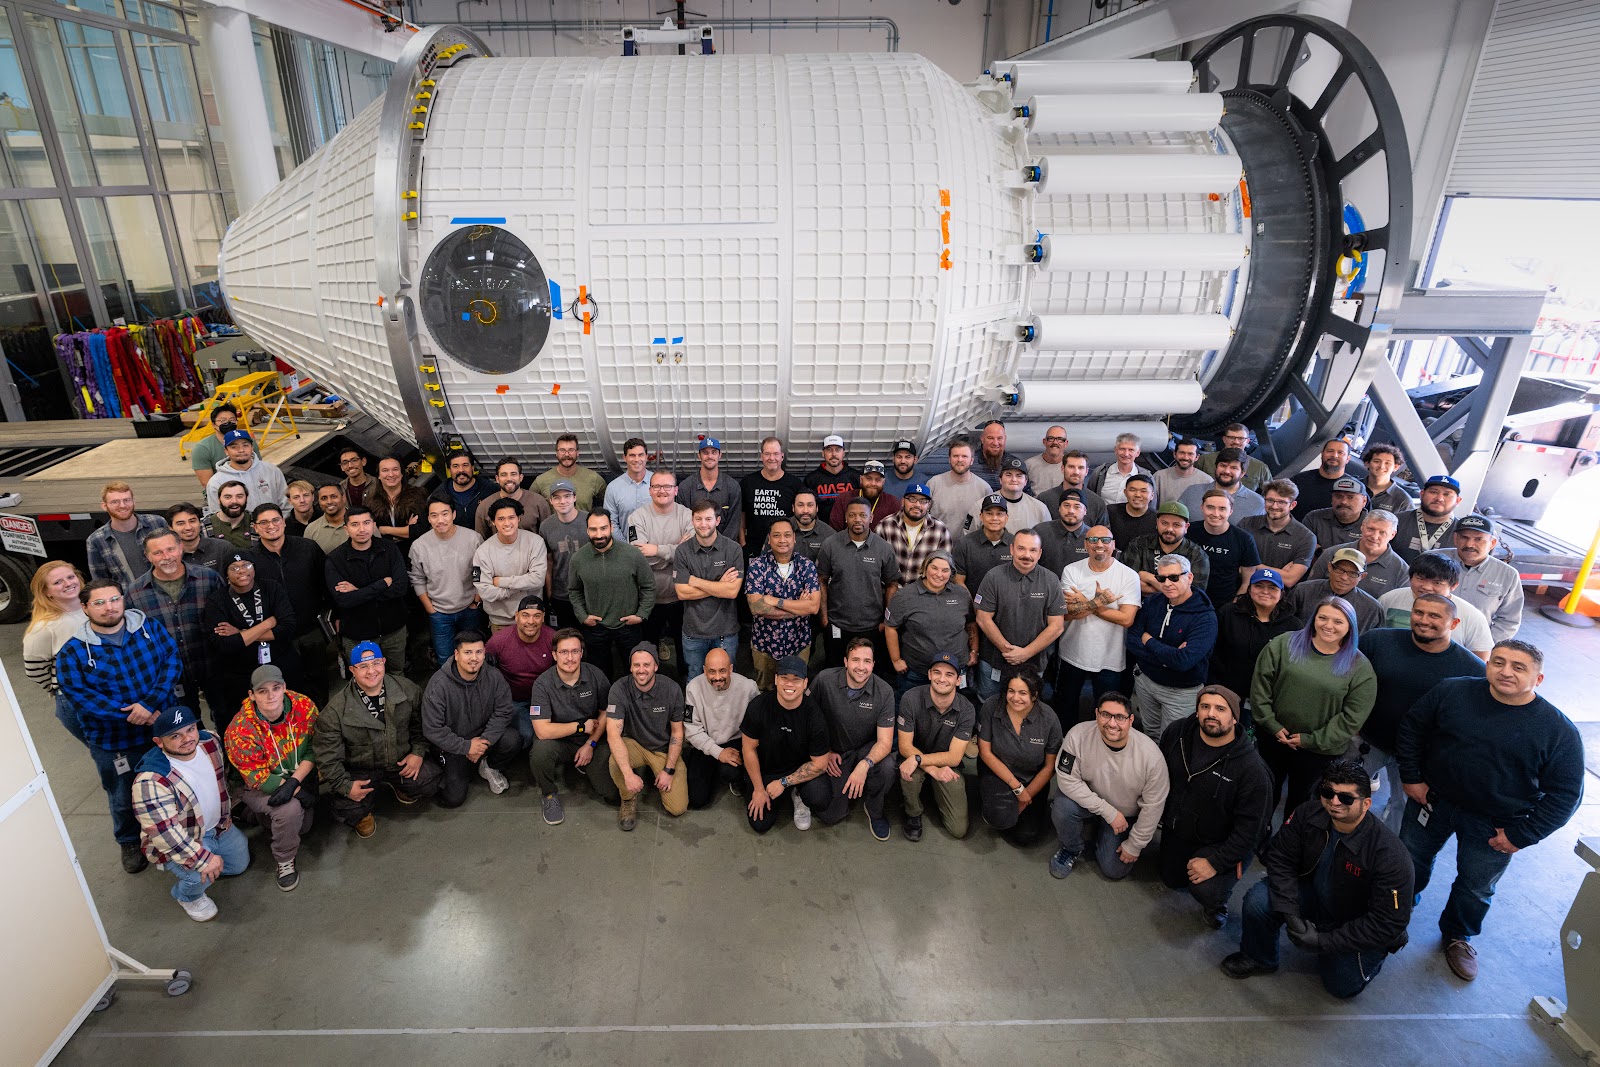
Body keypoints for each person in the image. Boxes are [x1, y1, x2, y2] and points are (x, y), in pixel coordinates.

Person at [1397, 640, 1583, 981]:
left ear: (1538, 679)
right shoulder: (1452, 692)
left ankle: (1457, 936)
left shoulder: (1558, 732)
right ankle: (1395, 910)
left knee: (1475, 886)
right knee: (1408, 860)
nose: (1505, 671)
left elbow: (1566, 795)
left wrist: (1521, 835)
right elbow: (1413, 728)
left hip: (1495, 824)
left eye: (1518, 667)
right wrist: (1411, 777)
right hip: (1432, 800)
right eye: (1498, 662)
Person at [1221, 760, 1413, 998]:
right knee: (1259, 901)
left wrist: (1323, 942)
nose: (1334, 802)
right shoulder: (1307, 814)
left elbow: (1386, 922)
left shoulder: (1390, 856)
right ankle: (1259, 957)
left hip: (1356, 919)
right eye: (1328, 793)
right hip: (1315, 895)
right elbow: (1280, 858)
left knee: (1340, 986)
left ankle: (1375, 955)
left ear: (1366, 804)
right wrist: (1291, 915)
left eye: (1346, 798)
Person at [55, 578, 181, 872]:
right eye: (99, 602)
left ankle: (176, 829)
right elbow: (81, 697)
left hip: (160, 728)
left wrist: (150, 704)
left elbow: (171, 660)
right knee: (122, 795)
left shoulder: (149, 629)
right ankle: (128, 841)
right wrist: (134, 714)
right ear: (85, 608)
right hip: (113, 740)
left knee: (172, 781)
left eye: (114, 599)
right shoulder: (72, 652)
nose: (109, 607)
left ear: (123, 599)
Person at [1357, 594, 1483, 830]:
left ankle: (1385, 858)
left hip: (1417, 759)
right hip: (1367, 742)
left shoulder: (1472, 670)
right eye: (1419, 613)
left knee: (1402, 812)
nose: (1424, 620)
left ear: (1454, 624)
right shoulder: (1377, 642)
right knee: (1341, 794)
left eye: (1435, 615)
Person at [1157, 686, 1272, 927]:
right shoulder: (1177, 732)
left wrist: (1215, 862)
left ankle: (1217, 903)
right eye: (1205, 706)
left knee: (1205, 889)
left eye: (1221, 709)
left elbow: (1251, 832)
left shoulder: (1252, 770)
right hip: (1179, 831)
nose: (1211, 714)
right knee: (1171, 879)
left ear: (1234, 717)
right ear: (1197, 711)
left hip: (1220, 842)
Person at [1251, 597, 1377, 814]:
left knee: (1302, 804)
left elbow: (1352, 718)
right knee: (1262, 794)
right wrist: (1271, 724)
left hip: (1319, 751)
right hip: (1273, 738)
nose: (1328, 625)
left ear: (1350, 627)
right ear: (1313, 619)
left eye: (1338, 621)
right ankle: (1259, 838)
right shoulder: (1284, 644)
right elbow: (1260, 686)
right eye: (1323, 618)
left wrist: (1311, 740)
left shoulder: (1360, 667)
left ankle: (1290, 843)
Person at [133, 705, 250, 921]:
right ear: (159, 742)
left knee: (239, 864)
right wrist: (202, 859)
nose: (186, 738)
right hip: (183, 838)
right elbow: (166, 833)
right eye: (175, 735)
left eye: (190, 729)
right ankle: (186, 896)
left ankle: (207, 863)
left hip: (218, 828)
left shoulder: (210, 742)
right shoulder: (151, 780)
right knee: (199, 877)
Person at [313, 642, 442, 837]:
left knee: (429, 781)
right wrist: (346, 787)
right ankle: (363, 814)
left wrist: (417, 752)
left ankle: (399, 784)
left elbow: (421, 725)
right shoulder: (334, 711)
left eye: (376, 663)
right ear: (352, 670)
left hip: (399, 760)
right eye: (363, 666)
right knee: (348, 808)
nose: (371, 671)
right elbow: (326, 756)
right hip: (361, 769)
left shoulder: (407, 689)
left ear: (384, 662)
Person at [1048, 691, 1169, 880]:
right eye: (1106, 715)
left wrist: (1134, 844)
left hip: (1125, 815)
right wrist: (1108, 812)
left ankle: (1101, 832)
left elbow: (1154, 806)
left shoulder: (1151, 757)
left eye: (1120, 717)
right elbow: (1066, 779)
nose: (1112, 723)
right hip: (1092, 803)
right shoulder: (1078, 735)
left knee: (1114, 869)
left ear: (1130, 720)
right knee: (1062, 807)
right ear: (1096, 714)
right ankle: (1071, 848)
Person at [223, 666, 317, 891]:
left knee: (304, 827)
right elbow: (258, 778)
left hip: (296, 775)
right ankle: (284, 860)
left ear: (284, 687)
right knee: (290, 810)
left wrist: (294, 782)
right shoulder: (240, 729)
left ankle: (252, 815)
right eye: (262, 691)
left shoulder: (303, 706)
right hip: (254, 785)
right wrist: (296, 791)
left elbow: (315, 747)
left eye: (276, 688)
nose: (271, 695)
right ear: (252, 695)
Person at [128, 528, 223, 720]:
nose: (166, 557)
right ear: (148, 556)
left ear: (181, 548)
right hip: (170, 677)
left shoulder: (209, 578)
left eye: (170, 549)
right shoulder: (135, 593)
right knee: (185, 724)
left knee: (225, 717)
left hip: (212, 667)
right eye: (158, 552)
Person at [528, 628, 619, 824]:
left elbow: (605, 713)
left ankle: (585, 765)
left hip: (592, 740)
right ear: (554, 655)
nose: (570, 658)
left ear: (581, 653)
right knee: (540, 751)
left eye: (575, 651)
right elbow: (542, 731)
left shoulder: (595, 675)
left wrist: (591, 744)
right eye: (564, 652)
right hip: (560, 742)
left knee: (611, 794)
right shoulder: (542, 684)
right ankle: (549, 795)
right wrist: (580, 727)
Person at [810, 638, 898, 839]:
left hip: (865, 749)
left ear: (873, 664)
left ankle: (874, 809)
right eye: (855, 660)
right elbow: (808, 719)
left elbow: (884, 742)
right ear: (845, 661)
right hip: (835, 752)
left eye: (867, 661)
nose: (861, 667)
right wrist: (825, 751)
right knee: (830, 814)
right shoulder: (824, 680)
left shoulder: (884, 692)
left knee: (886, 766)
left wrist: (864, 765)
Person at [422, 630, 522, 805]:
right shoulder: (438, 686)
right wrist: (466, 747)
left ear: (484, 653)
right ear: (456, 654)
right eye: (468, 652)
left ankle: (488, 765)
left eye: (479, 652)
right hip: (452, 746)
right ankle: (450, 769)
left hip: (482, 738)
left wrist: (483, 742)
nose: (474, 658)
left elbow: (504, 711)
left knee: (513, 739)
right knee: (454, 799)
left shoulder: (494, 677)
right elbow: (433, 729)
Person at [204, 552, 300, 734]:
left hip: (281, 664)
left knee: (290, 718)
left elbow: (287, 628)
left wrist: (241, 633)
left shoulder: (271, 588)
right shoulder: (217, 601)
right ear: (226, 573)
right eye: (234, 567)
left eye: (246, 565)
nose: (242, 571)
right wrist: (268, 623)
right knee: (252, 727)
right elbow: (224, 644)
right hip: (240, 675)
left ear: (254, 568)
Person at [1052, 525, 1139, 724]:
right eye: (1093, 540)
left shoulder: (1128, 575)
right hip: (1072, 653)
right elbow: (1067, 613)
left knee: (1106, 711)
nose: (1099, 545)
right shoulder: (1072, 570)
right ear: (1085, 545)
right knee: (1065, 707)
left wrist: (1087, 603)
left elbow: (1127, 619)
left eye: (1105, 540)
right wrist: (1100, 602)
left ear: (1114, 545)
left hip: (1110, 657)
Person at [740, 656, 835, 833]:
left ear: (805, 683)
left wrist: (784, 783)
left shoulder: (815, 717)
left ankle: (797, 794)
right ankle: (761, 790)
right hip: (767, 769)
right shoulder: (758, 707)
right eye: (784, 678)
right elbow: (748, 749)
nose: (789, 684)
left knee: (820, 798)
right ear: (776, 679)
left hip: (800, 769)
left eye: (796, 679)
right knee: (760, 824)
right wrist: (759, 790)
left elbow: (821, 764)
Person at [248, 503, 331, 704]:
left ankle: (323, 727)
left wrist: (330, 616)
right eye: (264, 522)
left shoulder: (308, 548)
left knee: (319, 681)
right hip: (275, 637)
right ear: (255, 527)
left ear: (283, 522)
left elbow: (326, 583)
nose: (271, 526)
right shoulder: (249, 558)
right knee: (285, 687)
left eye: (275, 520)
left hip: (311, 630)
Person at [1126, 555, 1217, 739]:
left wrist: (1149, 641)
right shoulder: (1153, 602)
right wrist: (1169, 657)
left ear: (1189, 577)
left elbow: (1183, 661)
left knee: (1174, 740)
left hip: (1180, 692)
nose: (1167, 583)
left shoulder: (1205, 617)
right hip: (1146, 681)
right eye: (1161, 578)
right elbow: (1132, 639)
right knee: (1150, 733)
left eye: (1174, 577)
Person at [973, 528, 1065, 701]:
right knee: (988, 704)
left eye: (1033, 550)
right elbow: (983, 618)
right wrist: (1008, 650)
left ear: (1040, 553)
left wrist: (1025, 653)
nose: (1027, 555)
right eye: (1021, 548)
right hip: (995, 661)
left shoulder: (1051, 580)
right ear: (1012, 549)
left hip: (1034, 663)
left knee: (1026, 707)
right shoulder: (993, 577)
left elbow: (1057, 626)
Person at [605, 643, 688, 828]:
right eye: (636, 665)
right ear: (631, 667)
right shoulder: (619, 689)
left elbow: (677, 732)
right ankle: (628, 798)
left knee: (677, 807)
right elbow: (613, 734)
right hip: (634, 743)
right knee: (614, 761)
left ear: (656, 667)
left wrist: (668, 770)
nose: (641, 670)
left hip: (663, 749)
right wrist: (628, 775)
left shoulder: (672, 689)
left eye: (646, 665)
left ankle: (657, 773)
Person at [977, 668, 1062, 846]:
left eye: (1023, 693)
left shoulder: (1049, 718)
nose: (1016, 698)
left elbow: (1049, 767)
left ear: (1034, 695)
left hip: (1033, 777)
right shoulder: (991, 706)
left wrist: (1026, 795)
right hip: (999, 772)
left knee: (1027, 837)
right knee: (999, 818)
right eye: (1011, 691)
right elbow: (985, 752)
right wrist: (1017, 788)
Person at [895, 652, 975, 841]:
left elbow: (955, 757)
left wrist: (920, 760)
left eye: (949, 674)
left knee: (958, 830)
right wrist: (931, 769)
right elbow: (905, 747)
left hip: (945, 764)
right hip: (914, 756)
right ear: (929, 674)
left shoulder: (966, 709)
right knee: (910, 774)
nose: (942, 679)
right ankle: (913, 813)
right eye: (937, 672)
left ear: (957, 680)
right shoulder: (911, 698)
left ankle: (934, 789)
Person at [816, 499, 900, 670]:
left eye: (863, 515)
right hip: (837, 624)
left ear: (871, 518)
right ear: (846, 518)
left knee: (867, 671)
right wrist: (824, 619)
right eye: (852, 515)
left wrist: (886, 620)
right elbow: (821, 581)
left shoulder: (884, 548)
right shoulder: (830, 545)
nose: (857, 519)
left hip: (872, 627)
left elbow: (892, 584)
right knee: (835, 670)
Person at [567, 511, 655, 672]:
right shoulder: (578, 559)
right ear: (587, 531)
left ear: (612, 527)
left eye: (603, 528)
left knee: (634, 673)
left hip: (629, 626)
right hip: (595, 628)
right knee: (599, 675)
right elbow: (574, 590)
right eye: (593, 529)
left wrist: (641, 614)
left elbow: (648, 586)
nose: (599, 534)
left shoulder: (632, 554)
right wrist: (583, 616)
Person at [326, 507, 409, 668]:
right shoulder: (335, 559)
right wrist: (382, 584)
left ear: (374, 525)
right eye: (355, 524)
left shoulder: (390, 549)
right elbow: (344, 600)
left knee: (397, 673)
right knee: (364, 680)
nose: (362, 529)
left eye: (366, 523)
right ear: (346, 529)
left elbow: (400, 588)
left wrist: (358, 591)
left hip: (394, 631)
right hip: (358, 635)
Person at [884, 550, 975, 697]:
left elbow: (971, 623)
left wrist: (974, 651)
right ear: (925, 569)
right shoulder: (905, 596)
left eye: (945, 570)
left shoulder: (962, 594)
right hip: (916, 672)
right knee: (911, 711)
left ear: (951, 573)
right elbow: (890, 627)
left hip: (956, 670)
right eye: (934, 568)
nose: (939, 574)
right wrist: (896, 660)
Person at [744, 518, 821, 688]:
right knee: (764, 690)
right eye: (777, 535)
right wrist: (798, 608)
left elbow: (814, 607)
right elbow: (756, 607)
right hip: (765, 645)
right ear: (769, 539)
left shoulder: (806, 566)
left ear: (794, 538)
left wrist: (774, 601)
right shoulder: (757, 566)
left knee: (795, 689)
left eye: (787, 535)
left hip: (798, 643)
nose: (782, 540)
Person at [673, 498, 745, 678]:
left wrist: (695, 581)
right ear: (692, 520)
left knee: (726, 680)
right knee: (695, 678)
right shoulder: (682, 551)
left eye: (708, 519)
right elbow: (682, 593)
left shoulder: (733, 549)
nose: (703, 524)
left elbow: (731, 591)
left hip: (725, 633)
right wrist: (720, 585)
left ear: (717, 521)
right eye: (698, 519)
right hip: (693, 633)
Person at [409, 497, 485, 666]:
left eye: (445, 514)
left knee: (473, 659)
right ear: (428, 518)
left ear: (454, 514)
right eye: (434, 515)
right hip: (439, 613)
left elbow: (480, 571)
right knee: (445, 660)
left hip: (469, 608)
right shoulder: (419, 546)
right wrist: (431, 609)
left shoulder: (473, 538)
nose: (440, 520)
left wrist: (476, 600)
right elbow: (417, 579)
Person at [629, 470, 693, 664]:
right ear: (649, 490)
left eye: (667, 486)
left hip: (681, 597)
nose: (662, 491)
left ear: (676, 490)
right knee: (648, 652)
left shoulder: (688, 515)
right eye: (657, 486)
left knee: (685, 652)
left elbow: (689, 556)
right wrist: (675, 553)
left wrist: (655, 549)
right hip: (648, 599)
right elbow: (639, 557)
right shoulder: (636, 517)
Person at [1375, 552, 1493, 657]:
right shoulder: (1389, 599)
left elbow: (1480, 659)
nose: (1426, 587)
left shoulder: (1472, 616)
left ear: (1454, 585)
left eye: (1437, 582)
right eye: (1420, 579)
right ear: (1410, 578)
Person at [683, 647, 759, 809]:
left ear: (731, 669)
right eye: (712, 672)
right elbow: (691, 730)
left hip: (736, 741)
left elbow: (757, 724)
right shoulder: (693, 688)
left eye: (722, 671)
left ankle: (734, 778)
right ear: (704, 671)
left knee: (730, 772)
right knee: (696, 799)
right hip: (706, 741)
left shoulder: (748, 688)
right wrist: (718, 753)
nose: (717, 677)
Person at [1210, 568, 1302, 700]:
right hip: (1226, 692)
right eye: (1259, 586)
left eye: (1272, 588)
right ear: (1249, 589)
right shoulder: (1228, 613)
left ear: (1281, 593)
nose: (1265, 592)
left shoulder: (1293, 625)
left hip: (1268, 697)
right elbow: (1213, 651)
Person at [23, 561, 87, 745]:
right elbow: (35, 671)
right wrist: (59, 687)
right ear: (46, 592)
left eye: (70, 577)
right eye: (57, 582)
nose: (68, 584)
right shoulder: (43, 628)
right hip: (75, 701)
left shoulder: (95, 610)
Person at [472, 497, 549, 633]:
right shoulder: (483, 551)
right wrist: (520, 586)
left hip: (532, 619)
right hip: (499, 621)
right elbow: (484, 591)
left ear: (518, 518)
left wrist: (501, 581)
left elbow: (538, 579)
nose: (507, 523)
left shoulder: (536, 542)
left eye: (511, 517)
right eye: (501, 519)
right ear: (493, 522)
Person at [1443, 515, 1523, 642]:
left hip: (1474, 647)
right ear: (1455, 538)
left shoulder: (1508, 575)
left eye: (1478, 539)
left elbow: (1509, 621)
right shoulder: (1431, 560)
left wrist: (1484, 644)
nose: (1469, 544)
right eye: (1464, 537)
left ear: (1492, 543)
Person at [1186, 488, 1262, 609]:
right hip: (1188, 600)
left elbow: (1247, 581)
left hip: (1225, 605)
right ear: (1202, 507)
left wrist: (1232, 607)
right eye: (1210, 507)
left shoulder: (1244, 539)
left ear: (1230, 511)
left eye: (1222, 509)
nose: (1216, 514)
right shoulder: (1188, 531)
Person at [1307, 509, 1409, 597]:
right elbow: (1310, 589)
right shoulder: (1332, 553)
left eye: (1382, 532)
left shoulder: (1401, 570)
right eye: (1370, 529)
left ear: (1392, 535)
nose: (1374, 536)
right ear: (1362, 527)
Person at [87, 481, 168, 589]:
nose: (122, 505)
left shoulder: (157, 523)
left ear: (133, 501)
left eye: (126, 500)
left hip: (167, 590)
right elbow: (101, 582)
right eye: (115, 502)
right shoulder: (96, 540)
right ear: (104, 506)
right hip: (131, 600)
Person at [1287, 547, 1386, 633]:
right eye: (1339, 570)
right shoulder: (1303, 591)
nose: (1344, 577)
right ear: (1329, 567)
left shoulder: (1372, 609)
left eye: (1353, 573)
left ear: (1362, 576)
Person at [1238, 479, 1316, 588]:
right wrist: (1279, 573)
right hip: (1242, 591)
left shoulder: (1306, 537)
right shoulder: (1246, 524)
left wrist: (1249, 565)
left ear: (1292, 505)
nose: (1274, 506)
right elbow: (1232, 564)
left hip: (1279, 599)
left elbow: (1290, 580)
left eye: (1281, 502)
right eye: (1270, 500)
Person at [1123, 502, 1211, 596]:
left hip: (1179, 609)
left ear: (1186, 527)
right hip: (1139, 606)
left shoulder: (1197, 555)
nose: (1169, 529)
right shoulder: (1139, 545)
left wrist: (1149, 577)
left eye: (1176, 525)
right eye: (1164, 523)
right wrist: (1174, 590)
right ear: (1157, 523)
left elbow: (1194, 594)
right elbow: (1127, 584)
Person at [874, 482, 953, 586]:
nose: (917, 505)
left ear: (928, 505)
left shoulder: (940, 530)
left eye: (923, 501)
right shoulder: (885, 526)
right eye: (912, 499)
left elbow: (944, 567)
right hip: (890, 590)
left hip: (925, 593)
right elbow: (875, 564)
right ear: (903, 501)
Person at [487, 595, 555, 710]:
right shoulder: (499, 641)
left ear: (543, 618)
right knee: (528, 728)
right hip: (514, 701)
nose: (531, 621)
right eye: (525, 615)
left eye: (537, 616)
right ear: (517, 616)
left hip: (545, 699)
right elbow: (485, 673)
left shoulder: (553, 638)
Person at [740, 436, 805, 557]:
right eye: (767, 454)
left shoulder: (795, 484)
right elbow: (741, 515)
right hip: (753, 549)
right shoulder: (747, 483)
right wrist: (743, 543)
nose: (772, 458)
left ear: (782, 456)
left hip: (784, 549)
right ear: (761, 456)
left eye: (776, 454)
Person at [539, 480, 588, 626]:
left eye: (567, 496)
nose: (563, 501)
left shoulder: (589, 520)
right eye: (557, 497)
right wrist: (550, 593)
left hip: (588, 593)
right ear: (551, 501)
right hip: (561, 593)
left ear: (574, 497)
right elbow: (548, 561)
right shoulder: (546, 526)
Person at [203, 430, 286, 515]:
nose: (241, 450)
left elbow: (286, 504)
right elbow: (218, 515)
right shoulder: (216, 481)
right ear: (226, 451)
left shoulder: (272, 470)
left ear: (252, 447)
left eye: (245, 445)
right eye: (234, 447)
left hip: (274, 526)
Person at [472, 456, 551, 540]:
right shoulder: (485, 506)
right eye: (503, 475)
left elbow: (548, 535)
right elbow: (482, 540)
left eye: (513, 474)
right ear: (497, 479)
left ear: (521, 477)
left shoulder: (538, 502)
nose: (509, 479)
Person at [679, 436, 742, 539]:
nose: (710, 456)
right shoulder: (686, 487)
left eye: (714, 452)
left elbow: (734, 524)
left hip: (725, 549)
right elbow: (684, 521)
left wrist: (722, 548)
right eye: (705, 452)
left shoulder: (732, 486)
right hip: (694, 547)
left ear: (720, 455)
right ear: (699, 456)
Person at [1178, 448, 1265, 521]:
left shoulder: (1257, 503)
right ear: (1216, 467)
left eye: (1233, 468)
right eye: (1223, 465)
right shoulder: (1192, 492)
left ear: (1242, 473)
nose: (1227, 471)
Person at [965, 457, 1047, 534]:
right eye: (1008, 475)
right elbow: (968, 539)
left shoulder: (1040, 509)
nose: (1014, 479)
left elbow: (1047, 539)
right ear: (1000, 479)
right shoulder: (981, 506)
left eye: (1019, 476)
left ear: (1025, 481)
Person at [1393, 474, 1462, 564]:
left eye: (1447, 494)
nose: (1439, 498)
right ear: (1421, 494)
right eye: (1433, 492)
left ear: (1458, 501)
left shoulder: (1462, 533)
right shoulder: (1396, 521)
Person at [952, 494, 1012, 592]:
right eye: (989, 513)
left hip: (1008, 604)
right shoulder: (964, 544)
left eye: (999, 514)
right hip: (971, 604)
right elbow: (958, 580)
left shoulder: (1016, 544)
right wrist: (973, 605)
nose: (994, 518)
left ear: (1006, 517)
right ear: (981, 516)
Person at [533, 433, 606, 512]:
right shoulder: (541, 481)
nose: (567, 454)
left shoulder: (593, 478)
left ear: (577, 452)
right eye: (562, 450)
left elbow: (607, 503)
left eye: (571, 450)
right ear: (556, 453)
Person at [189, 401, 256, 489]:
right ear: (214, 425)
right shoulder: (202, 449)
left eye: (232, 420)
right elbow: (207, 483)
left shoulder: (248, 441)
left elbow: (257, 468)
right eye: (222, 420)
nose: (228, 423)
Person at [927, 436, 990, 529]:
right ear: (949, 459)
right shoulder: (933, 484)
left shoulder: (985, 489)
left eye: (964, 456)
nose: (960, 460)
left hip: (972, 543)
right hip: (938, 542)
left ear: (972, 460)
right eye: (955, 456)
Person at [365, 455, 428, 546]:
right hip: (385, 553)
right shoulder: (371, 502)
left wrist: (385, 530)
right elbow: (371, 532)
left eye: (395, 469)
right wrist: (405, 530)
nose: (391, 474)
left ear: (402, 473)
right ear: (378, 475)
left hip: (414, 551)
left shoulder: (418, 496)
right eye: (385, 470)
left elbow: (419, 530)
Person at [1038, 451, 1110, 527]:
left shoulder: (1097, 503)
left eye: (1081, 468)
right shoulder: (1044, 499)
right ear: (1062, 469)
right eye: (1071, 467)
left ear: (1086, 471)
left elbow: (1104, 534)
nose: (1076, 472)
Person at [428, 451, 497, 530]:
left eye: (465, 465)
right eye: (455, 466)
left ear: (472, 468)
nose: (461, 470)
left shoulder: (490, 490)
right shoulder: (439, 495)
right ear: (449, 470)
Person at [1302, 477, 1368, 558]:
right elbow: (1303, 549)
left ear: (1364, 501)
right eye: (1338, 496)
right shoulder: (1313, 518)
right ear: (1332, 499)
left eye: (1350, 497)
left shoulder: (1374, 525)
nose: (1344, 501)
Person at [1032, 488, 1090, 576]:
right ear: (1059, 508)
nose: (1071, 511)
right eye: (1066, 505)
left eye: (1077, 507)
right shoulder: (1040, 532)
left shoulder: (1093, 537)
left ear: (1085, 511)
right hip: (1045, 587)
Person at [1196, 424, 1272, 492]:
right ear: (1224, 439)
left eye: (1241, 438)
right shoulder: (1204, 460)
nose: (1236, 442)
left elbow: (1271, 493)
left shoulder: (1260, 467)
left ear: (1247, 441)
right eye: (1231, 437)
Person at [166, 502, 233, 575]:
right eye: (181, 523)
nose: (188, 527)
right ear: (170, 528)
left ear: (200, 522)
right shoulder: (166, 555)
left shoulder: (222, 548)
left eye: (192, 521)